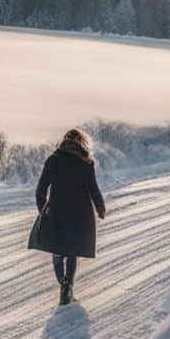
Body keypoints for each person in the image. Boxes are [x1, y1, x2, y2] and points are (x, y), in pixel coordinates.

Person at [28, 128, 106, 305]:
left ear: (64, 142)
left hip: (57, 211)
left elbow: (40, 190)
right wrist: (100, 208)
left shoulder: (53, 160)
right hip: (80, 213)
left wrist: (43, 209)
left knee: (58, 249)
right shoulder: (86, 162)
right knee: (72, 251)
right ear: (81, 143)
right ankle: (68, 287)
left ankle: (62, 283)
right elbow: (93, 189)